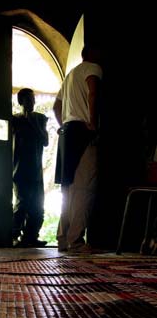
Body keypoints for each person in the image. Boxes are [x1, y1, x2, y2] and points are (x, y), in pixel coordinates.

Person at [53, 45, 103, 252]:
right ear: (92, 54)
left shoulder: (70, 75)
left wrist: (62, 125)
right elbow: (93, 93)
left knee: (68, 187)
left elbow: (56, 106)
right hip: (83, 130)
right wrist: (92, 122)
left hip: (67, 132)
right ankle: (76, 241)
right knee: (85, 187)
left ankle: (63, 238)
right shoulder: (94, 68)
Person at [12, 88, 49, 247]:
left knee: (38, 207)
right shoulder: (15, 120)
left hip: (36, 170)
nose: (32, 102)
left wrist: (33, 123)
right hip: (20, 169)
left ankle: (31, 237)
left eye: (33, 99)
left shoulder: (40, 119)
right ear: (21, 102)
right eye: (28, 99)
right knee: (22, 205)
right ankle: (13, 235)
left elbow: (45, 141)